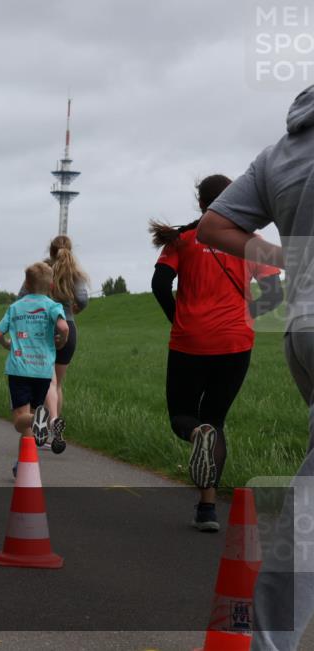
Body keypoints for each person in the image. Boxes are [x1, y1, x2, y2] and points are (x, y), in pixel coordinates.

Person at [197, 85, 312, 651]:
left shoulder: (278, 153)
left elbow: (213, 227)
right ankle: (268, 641)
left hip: (301, 330)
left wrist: (289, 257)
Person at [150, 175, 283, 532]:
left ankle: (196, 436)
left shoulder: (185, 239)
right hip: (236, 343)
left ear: (200, 203)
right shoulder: (250, 243)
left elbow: (160, 284)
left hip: (190, 340)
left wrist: (178, 318)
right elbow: (274, 293)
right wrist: (245, 320)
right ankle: (207, 510)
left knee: (183, 416)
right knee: (216, 420)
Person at [0, 262, 69, 477]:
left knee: (20, 421)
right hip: (43, 370)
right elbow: (63, 327)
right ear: (52, 285)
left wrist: (8, 345)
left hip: (19, 368)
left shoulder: (16, 307)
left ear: (26, 283)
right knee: (34, 417)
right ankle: (23, 464)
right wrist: (63, 340)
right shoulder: (53, 306)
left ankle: (49, 423)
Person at [17, 235, 90, 454]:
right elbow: (83, 300)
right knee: (57, 385)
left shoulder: (40, 269)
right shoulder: (75, 272)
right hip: (68, 326)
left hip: (43, 328)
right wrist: (72, 309)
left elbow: (21, 296)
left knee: (46, 381)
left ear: (50, 250)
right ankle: (55, 431)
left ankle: (49, 424)